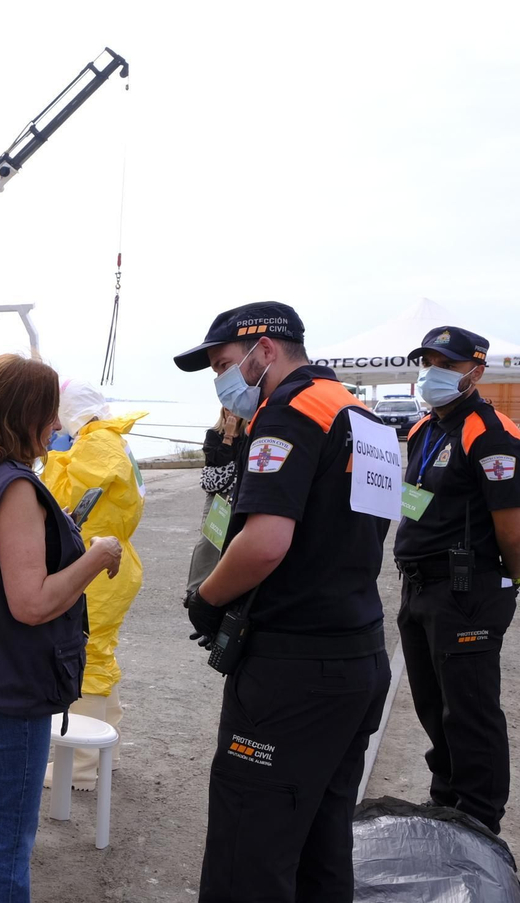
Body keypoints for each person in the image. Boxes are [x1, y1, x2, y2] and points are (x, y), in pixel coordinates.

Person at [175, 302, 391, 902]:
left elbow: (266, 542)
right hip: (357, 655)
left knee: (248, 854)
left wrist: (207, 599)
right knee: (322, 846)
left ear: (264, 350)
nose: (224, 381)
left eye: (225, 364)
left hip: (291, 671)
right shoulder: (361, 415)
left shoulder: (289, 412)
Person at [0, 354, 121, 902]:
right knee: (4, 839)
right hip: (7, 686)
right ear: (23, 413)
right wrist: (96, 555)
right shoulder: (14, 488)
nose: (56, 424)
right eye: (49, 413)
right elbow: (30, 604)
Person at [394, 326, 520, 834]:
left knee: (469, 709)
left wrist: (508, 584)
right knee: (433, 704)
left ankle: (479, 819)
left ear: (476, 370)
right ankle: (446, 801)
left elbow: (512, 526)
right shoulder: (424, 429)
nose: (433, 373)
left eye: (447, 364)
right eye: (427, 362)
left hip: (467, 590)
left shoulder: (490, 432)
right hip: (420, 586)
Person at [40, 379, 147, 792]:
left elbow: (59, 499)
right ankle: (106, 753)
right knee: (100, 655)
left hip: (96, 563)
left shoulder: (95, 444)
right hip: (112, 557)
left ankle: (81, 767)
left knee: (86, 659)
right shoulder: (111, 438)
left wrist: (54, 459)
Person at [186, 408, 247, 593]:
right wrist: (228, 436)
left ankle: (226, 586)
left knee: (237, 538)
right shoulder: (213, 434)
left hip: (241, 491)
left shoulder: (248, 435)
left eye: (235, 409)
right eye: (227, 409)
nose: (231, 413)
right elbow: (217, 460)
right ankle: (195, 588)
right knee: (209, 539)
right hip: (219, 493)